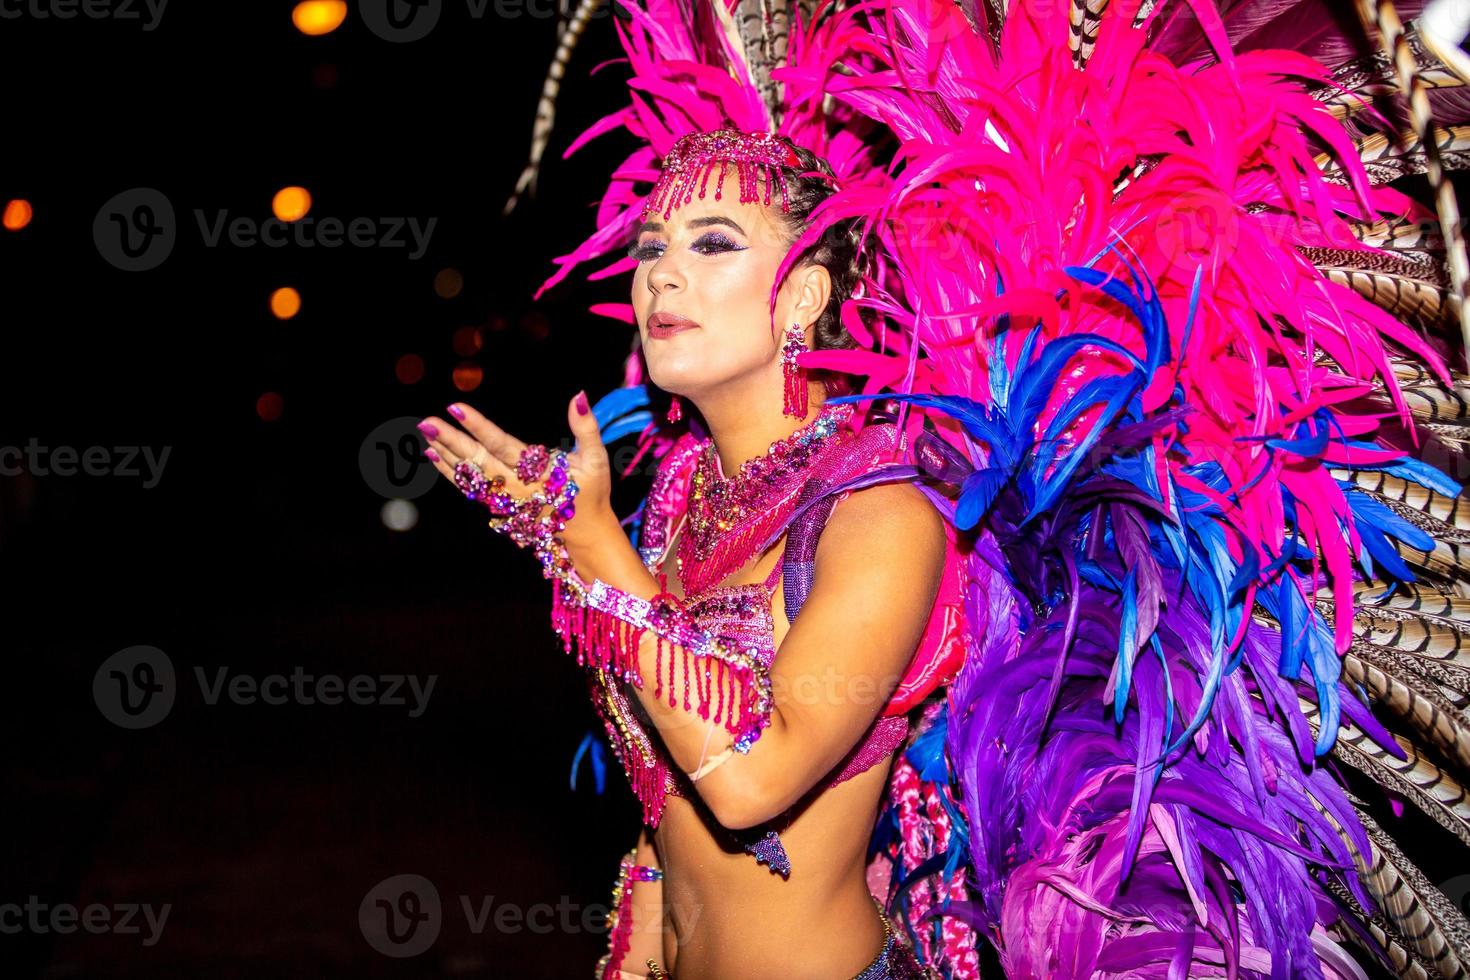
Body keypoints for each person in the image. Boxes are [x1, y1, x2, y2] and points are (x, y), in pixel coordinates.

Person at [429, 0, 1470, 977]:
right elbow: (669, 801)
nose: (661, 272)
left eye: (712, 246)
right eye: (653, 246)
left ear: (801, 295)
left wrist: (595, 559)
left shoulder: (881, 507)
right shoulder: (684, 495)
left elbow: (752, 777)